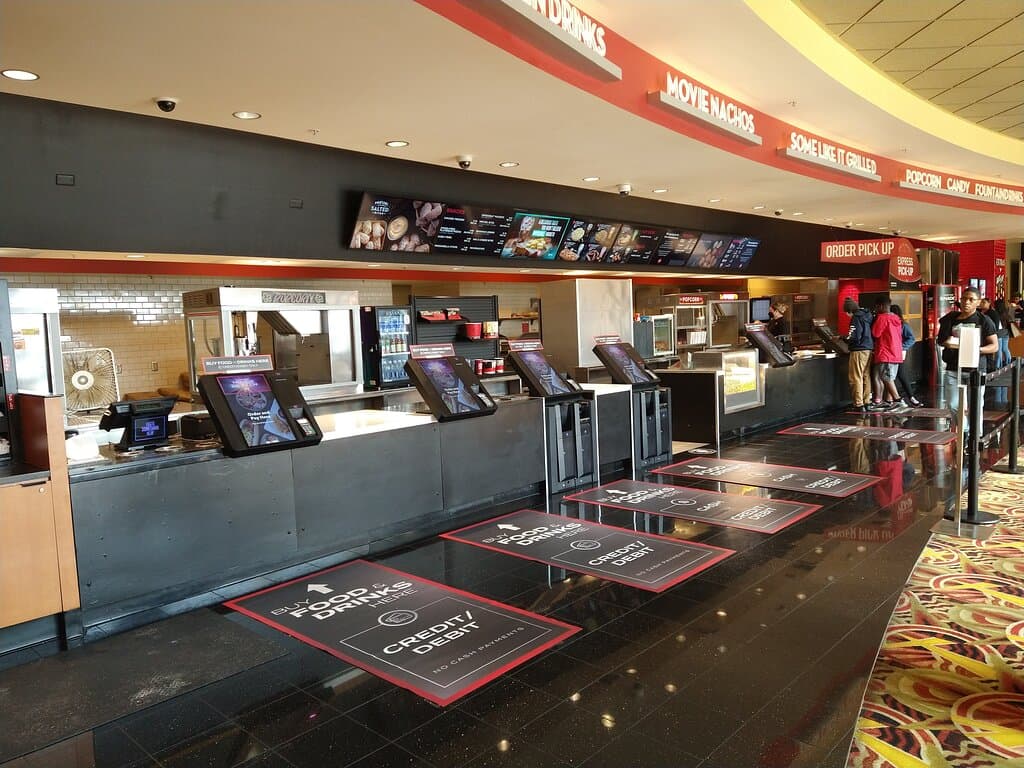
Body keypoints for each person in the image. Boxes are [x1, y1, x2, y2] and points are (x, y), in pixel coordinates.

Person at [936, 286, 998, 414]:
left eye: (971, 299)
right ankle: (963, 425)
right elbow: (942, 340)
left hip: (976, 370)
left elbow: (994, 346)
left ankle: (975, 427)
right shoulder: (950, 318)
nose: (966, 302)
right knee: (953, 404)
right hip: (953, 368)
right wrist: (951, 343)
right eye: (964, 299)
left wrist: (975, 349)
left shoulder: (984, 321)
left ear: (978, 302)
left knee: (975, 406)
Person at [870, 299, 904, 410]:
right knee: (888, 377)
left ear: (880, 306)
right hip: (896, 352)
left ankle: (898, 400)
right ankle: (891, 400)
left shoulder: (882, 318)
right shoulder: (896, 318)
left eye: (876, 307)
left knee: (887, 378)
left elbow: (876, 333)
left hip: (886, 352)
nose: (875, 309)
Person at [843, 297, 874, 412]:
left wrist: (845, 339)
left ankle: (858, 404)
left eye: (847, 312)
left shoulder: (856, 317)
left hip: (858, 350)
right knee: (866, 376)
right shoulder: (867, 315)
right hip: (868, 348)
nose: (847, 314)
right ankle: (867, 402)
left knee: (856, 377)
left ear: (850, 310)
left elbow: (855, 336)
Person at [891, 304, 924, 407]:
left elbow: (911, 338)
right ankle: (909, 398)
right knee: (895, 375)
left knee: (899, 375)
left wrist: (901, 347)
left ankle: (907, 398)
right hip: (893, 353)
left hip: (897, 353)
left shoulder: (903, 325)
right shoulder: (899, 324)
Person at [992, 298, 1012, 368]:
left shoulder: (995, 313)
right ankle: (1009, 362)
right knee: (1005, 348)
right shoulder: (1006, 312)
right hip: (1006, 332)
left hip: (999, 333)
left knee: (999, 350)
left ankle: (998, 366)